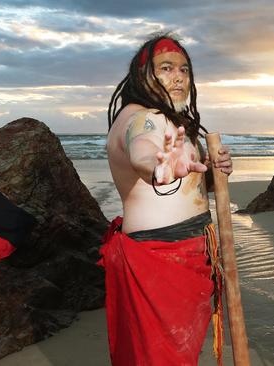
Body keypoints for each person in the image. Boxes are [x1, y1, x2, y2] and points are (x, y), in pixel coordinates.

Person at [100, 33, 232, 366]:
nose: (178, 77)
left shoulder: (170, 121)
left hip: (189, 252)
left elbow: (195, 188)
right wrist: (156, 166)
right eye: (166, 68)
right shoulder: (144, 118)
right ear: (143, 76)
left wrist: (214, 172)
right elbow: (142, 149)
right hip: (160, 257)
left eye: (184, 70)